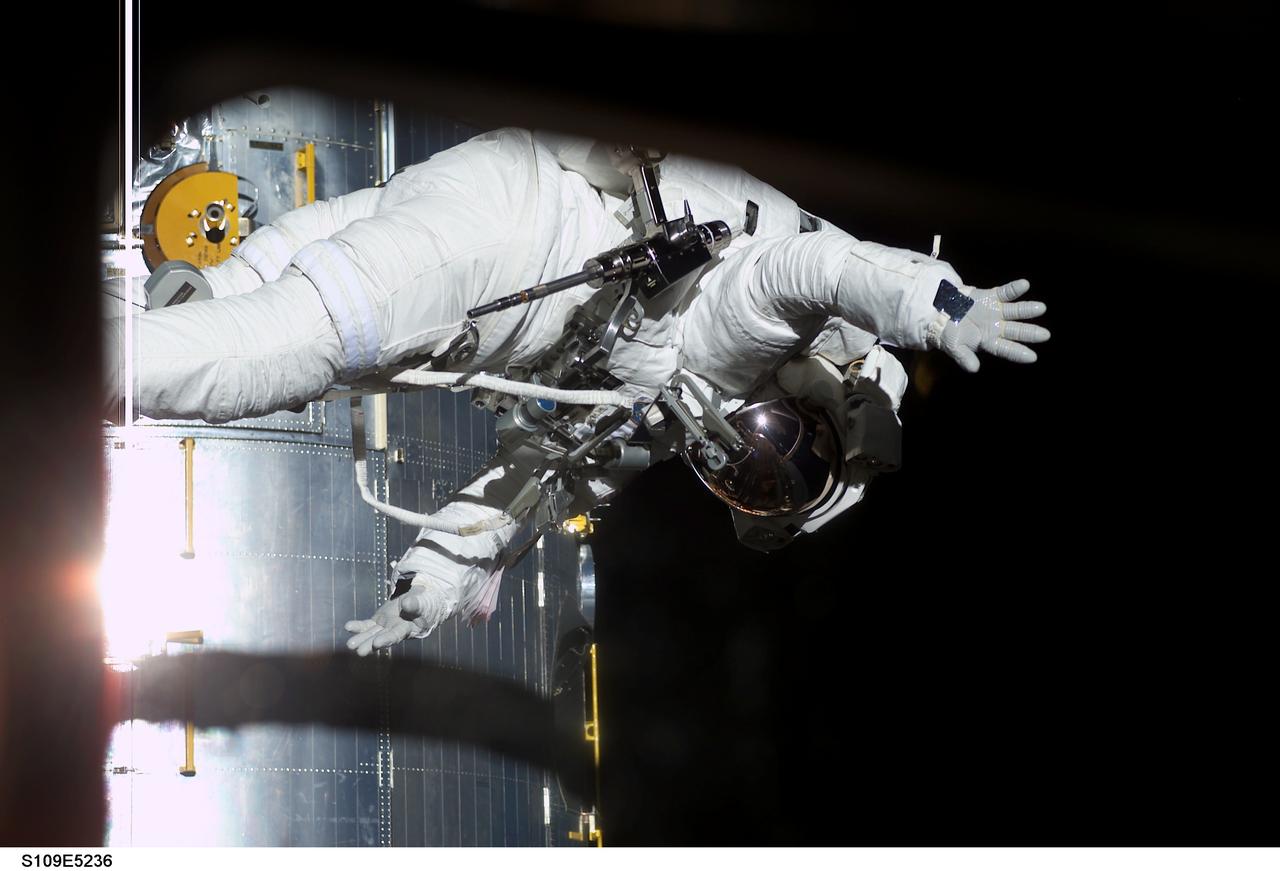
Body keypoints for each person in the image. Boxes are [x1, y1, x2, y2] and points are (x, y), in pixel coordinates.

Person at [104, 128, 1048, 655]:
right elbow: (817, 266)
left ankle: (135, 313)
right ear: (808, 401)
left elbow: (538, 482)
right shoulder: (747, 333)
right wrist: (935, 303)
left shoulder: (668, 424)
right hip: (511, 242)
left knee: (243, 300)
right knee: (277, 349)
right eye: (778, 456)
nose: (742, 464)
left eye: (756, 487)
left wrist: (431, 586)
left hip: (480, 244)